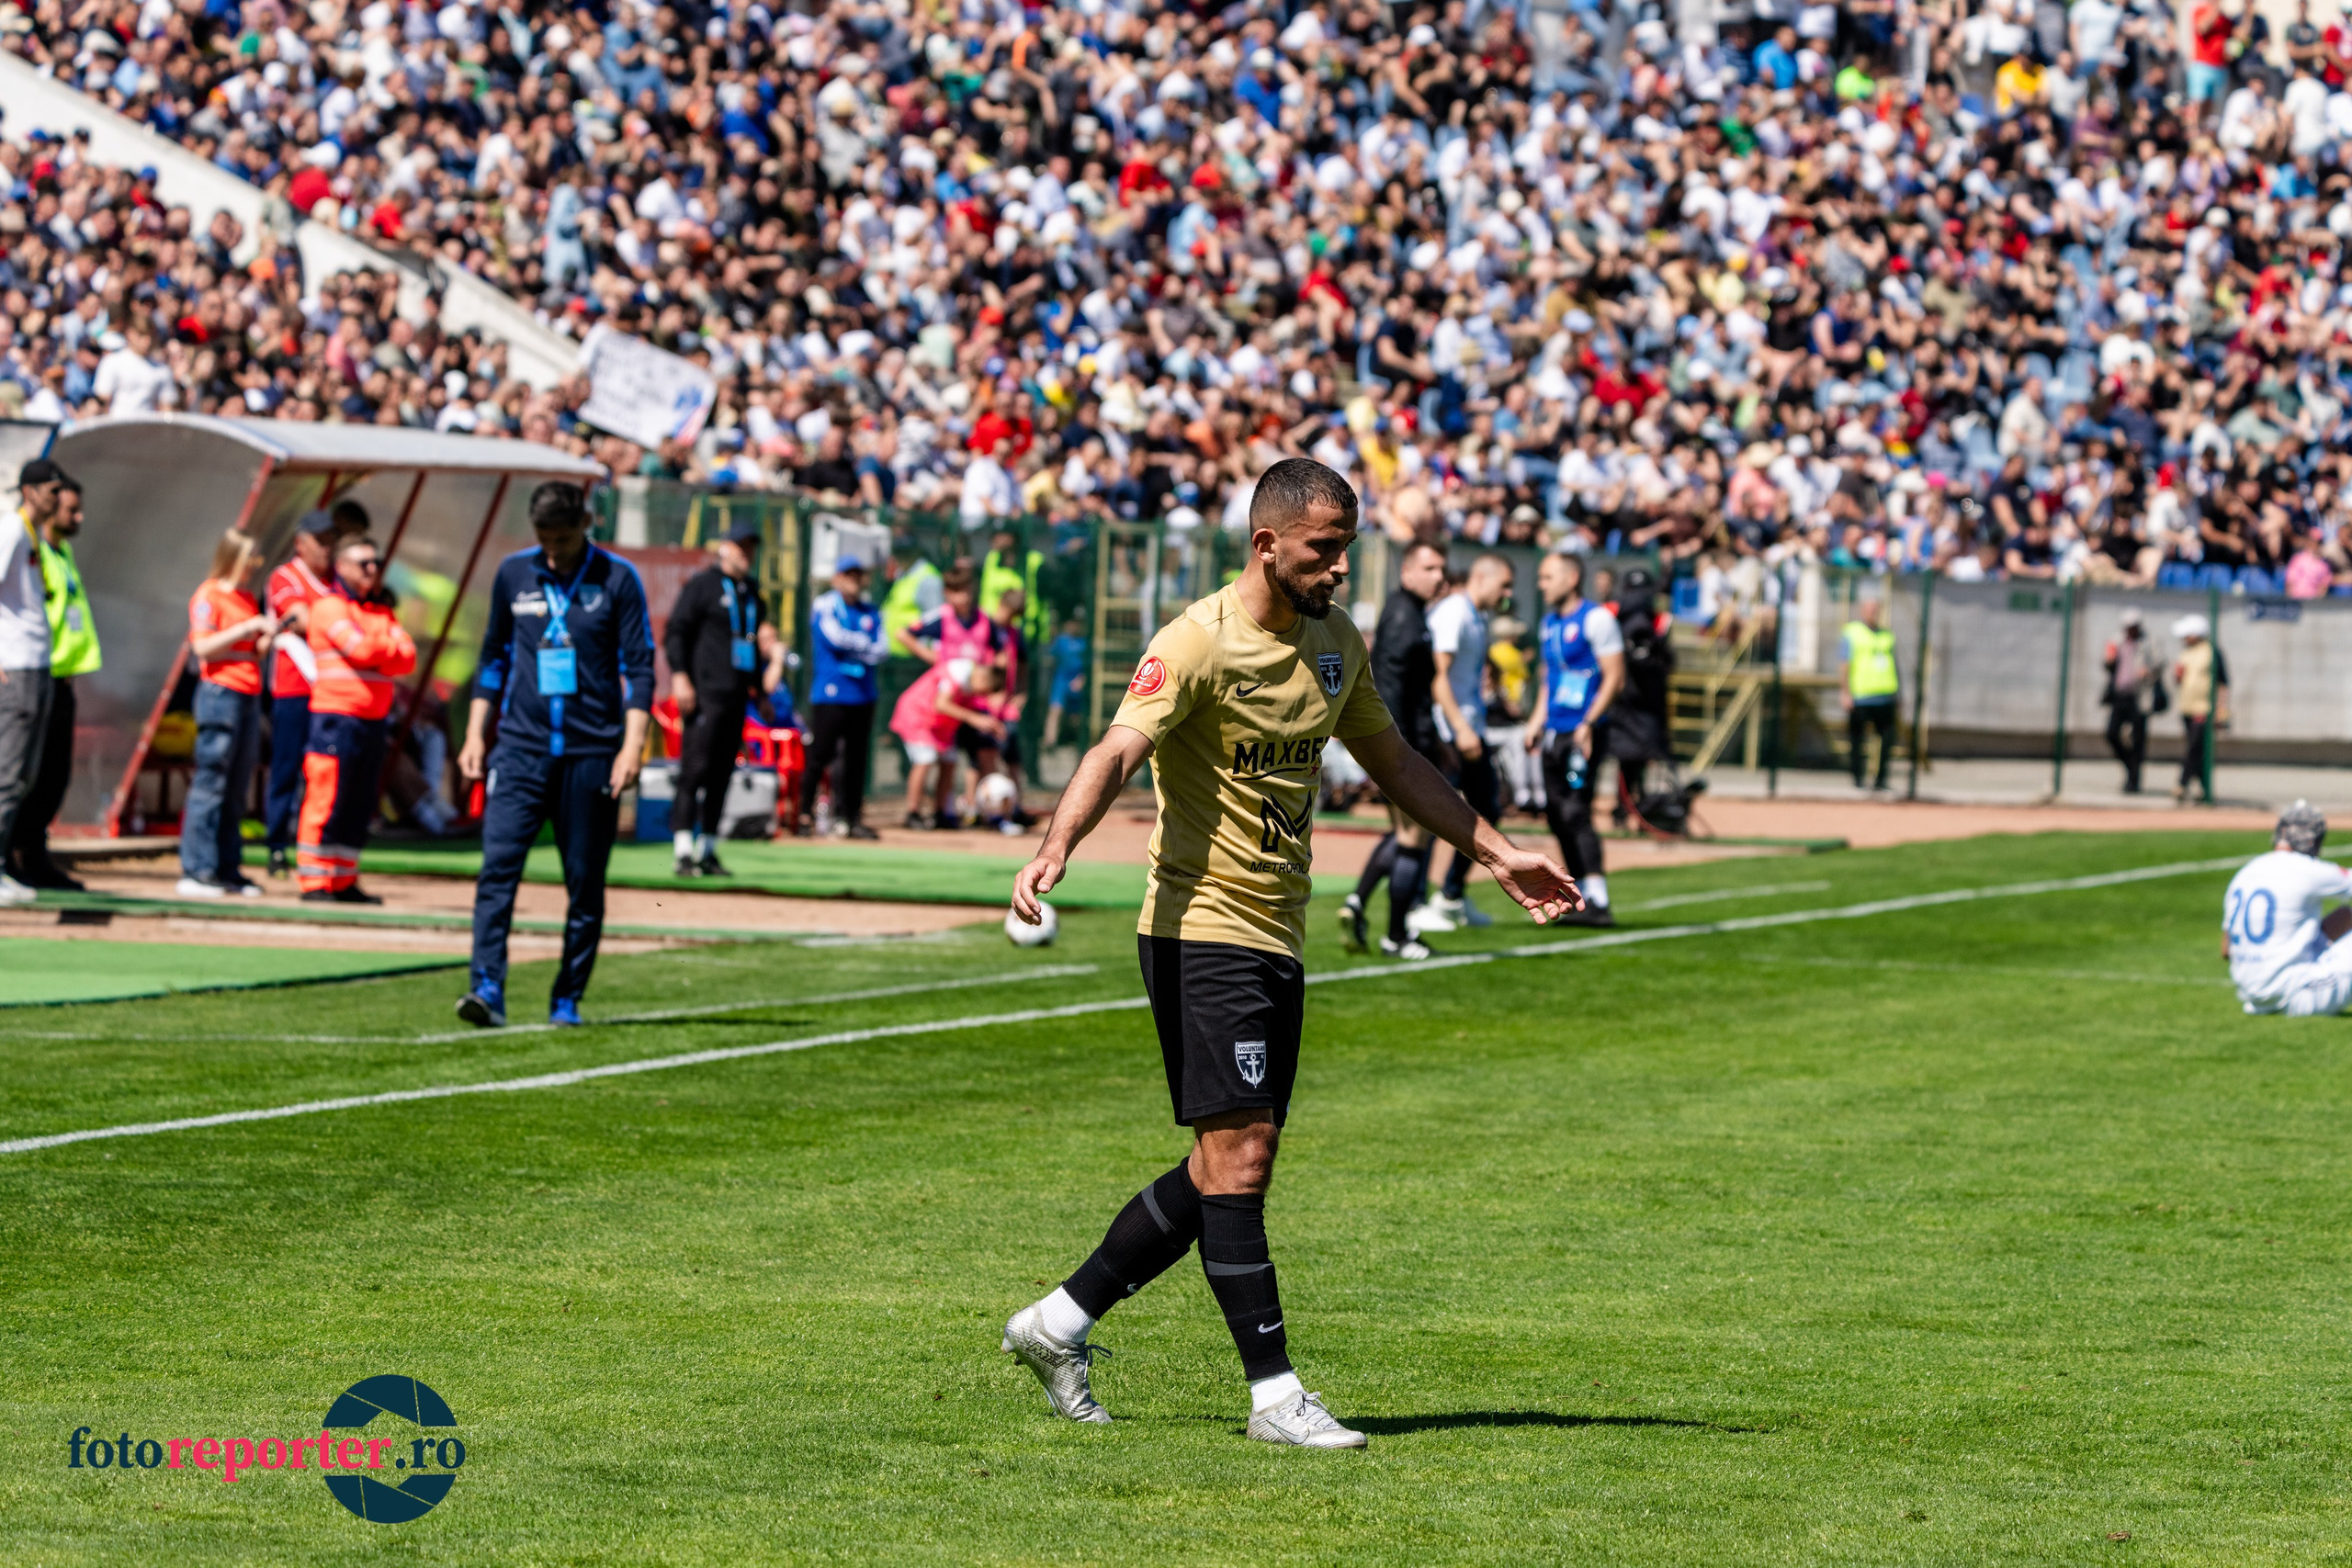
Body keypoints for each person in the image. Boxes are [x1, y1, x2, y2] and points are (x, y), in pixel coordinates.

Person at [1001, 457, 1579, 1448]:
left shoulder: (1332, 642)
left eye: (1346, 549)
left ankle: (1056, 1324)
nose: (1340, 569)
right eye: (1324, 550)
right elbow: (1115, 750)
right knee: (1244, 1158)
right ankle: (1275, 1396)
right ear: (1267, 545)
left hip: (1277, 929)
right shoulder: (1195, 641)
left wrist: (1494, 853)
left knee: (1219, 1164)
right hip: (1196, 926)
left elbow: (1394, 763)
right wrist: (1058, 840)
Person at [457, 481, 656, 1029]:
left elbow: (639, 669)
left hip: (592, 752)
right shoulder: (513, 574)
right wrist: (478, 734)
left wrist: (631, 748)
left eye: (564, 538)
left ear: (586, 524)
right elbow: (492, 658)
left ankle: (567, 996)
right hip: (520, 751)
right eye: (544, 537)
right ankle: (487, 988)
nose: (553, 548)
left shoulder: (617, 579)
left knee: (585, 883)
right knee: (497, 869)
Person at [1335, 539, 1446, 959]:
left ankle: (1359, 902)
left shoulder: (1410, 613)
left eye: (1441, 568)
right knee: (1414, 834)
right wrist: (1399, 752)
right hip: (1402, 748)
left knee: (1405, 833)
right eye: (1430, 568)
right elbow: (1391, 690)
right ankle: (1397, 934)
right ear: (1408, 573)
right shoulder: (1404, 616)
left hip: (1406, 744)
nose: (1439, 576)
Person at [296, 534, 416, 902]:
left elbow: (408, 657)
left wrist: (378, 644)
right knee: (328, 795)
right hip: (336, 718)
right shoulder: (329, 607)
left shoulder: (379, 611)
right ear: (342, 567)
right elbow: (360, 648)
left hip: (372, 720)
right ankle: (315, 882)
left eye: (375, 563)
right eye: (364, 563)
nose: (372, 570)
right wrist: (385, 645)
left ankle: (344, 880)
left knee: (360, 801)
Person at [665, 524, 784, 877]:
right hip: (704, 694)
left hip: (736, 698)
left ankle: (709, 849)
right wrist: (681, 676)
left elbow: (751, 649)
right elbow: (676, 633)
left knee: (722, 774)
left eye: (751, 548)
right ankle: (682, 849)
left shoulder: (751, 593)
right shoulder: (703, 585)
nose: (747, 555)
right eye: (741, 547)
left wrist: (759, 694)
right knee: (695, 770)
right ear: (725, 547)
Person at [263, 504, 366, 876]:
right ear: (300, 543)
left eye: (331, 541)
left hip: (333, 691)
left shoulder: (337, 582)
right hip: (295, 687)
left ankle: (320, 846)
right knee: (287, 768)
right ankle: (276, 845)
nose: (326, 548)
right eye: (320, 541)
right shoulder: (286, 577)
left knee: (327, 771)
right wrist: (338, 624)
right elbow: (305, 621)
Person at [1417, 552, 1514, 933]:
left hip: (1469, 728)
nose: (1506, 593)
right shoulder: (1454, 613)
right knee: (1429, 815)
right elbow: (1436, 675)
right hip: (1451, 731)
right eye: (1503, 584)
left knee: (1486, 809)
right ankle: (1419, 902)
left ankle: (1451, 895)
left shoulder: (1476, 615)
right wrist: (1460, 728)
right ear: (1481, 577)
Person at [1526, 551, 1623, 926]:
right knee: (1555, 814)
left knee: (1577, 811)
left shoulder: (1597, 619)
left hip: (1584, 731)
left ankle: (1598, 897)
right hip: (1554, 730)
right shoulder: (1549, 623)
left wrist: (1589, 722)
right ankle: (1580, 894)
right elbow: (1548, 679)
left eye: (1547, 577)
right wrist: (1536, 720)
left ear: (1571, 578)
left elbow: (1614, 676)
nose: (1541, 584)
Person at [8, 476, 96, 890]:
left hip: (59, 674)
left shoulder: (63, 552)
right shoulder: (26, 545)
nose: (75, 516)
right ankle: (15, 857)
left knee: (52, 775)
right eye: (68, 508)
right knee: (22, 773)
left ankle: (34, 854)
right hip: (33, 670)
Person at [177, 530, 272, 898]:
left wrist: (266, 635)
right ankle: (197, 868)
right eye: (249, 559)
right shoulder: (209, 594)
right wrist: (246, 628)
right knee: (211, 780)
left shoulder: (246, 597)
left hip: (248, 692)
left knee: (237, 785)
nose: (254, 567)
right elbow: (202, 645)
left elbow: (252, 650)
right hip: (220, 693)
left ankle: (227, 867)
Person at [0, 457, 65, 908]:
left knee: (26, 774)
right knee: (7, 771)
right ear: (30, 490)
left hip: (38, 662)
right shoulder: (10, 529)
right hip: (16, 664)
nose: (57, 498)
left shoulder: (35, 536)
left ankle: (6, 862)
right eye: (52, 490)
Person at [2223, 802, 2352, 1015]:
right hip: (2298, 994)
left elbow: (2226, 950)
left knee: (2345, 915)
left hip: (2254, 997)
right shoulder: (2308, 868)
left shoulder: (2245, 873)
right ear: (2312, 840)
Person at [800, 554, 884, 839]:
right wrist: (862, 645)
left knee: (856, 760)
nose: (853, 581)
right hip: (831, 693)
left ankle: (851, 817)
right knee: (820, 754)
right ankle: (803, 814)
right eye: (847, 575)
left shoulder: (870, 611)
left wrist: (857, 647)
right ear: (836, 578)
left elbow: (881, 649)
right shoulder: (825, 605)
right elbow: (834, 637)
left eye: (857, 575)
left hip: (862, 694)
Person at [1839, 598, 1900, 793]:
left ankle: (1881, 780)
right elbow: (1844, 664)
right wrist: (1846, 692)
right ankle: (1858, 778)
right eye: (1869, 609)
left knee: (1888, 740)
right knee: (1857, 740)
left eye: (1876, 610)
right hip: (1861, 695)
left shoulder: (1887, 635)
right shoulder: (1852, 633)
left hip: (1885, 695)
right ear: (1862, 611)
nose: (1873, 613)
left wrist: (1898, 693)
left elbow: (1894, 665)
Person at [2101, 607, 2160, 795]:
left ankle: (2134, 781)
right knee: (2111, 733)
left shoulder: (2149, 642)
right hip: (2120, 695)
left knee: (2138, 740)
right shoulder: (2117, 641)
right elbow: (2109, 666)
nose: (2130, 630)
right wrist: (2108, 660)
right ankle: (2129, 766)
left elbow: (2160, 662)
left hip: (2139, 696)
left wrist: (2148, 670)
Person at [2172, 614, 2227, 804]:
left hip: (2204, 709)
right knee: (2197, 752)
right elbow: (2181, 680)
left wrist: (2221, 709)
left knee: (2194, 748)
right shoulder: (2186, 652)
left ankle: (2182, 784)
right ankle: (2205, 789)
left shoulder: (2212, 652)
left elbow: (2223, 682)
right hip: (2186, 707)